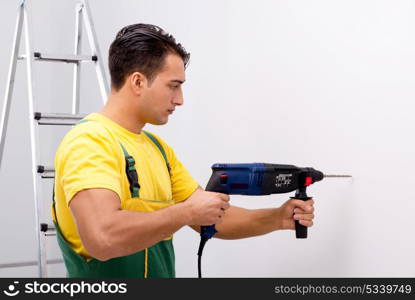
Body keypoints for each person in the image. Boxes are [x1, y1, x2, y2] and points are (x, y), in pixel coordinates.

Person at [52, 23, 315, 278]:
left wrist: (278, 217)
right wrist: (185, 212)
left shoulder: (158, 150)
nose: (179, 99)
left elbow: (210, 217)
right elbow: (102, 238)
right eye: (173, 85)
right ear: (138, 82)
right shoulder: (90, 143)